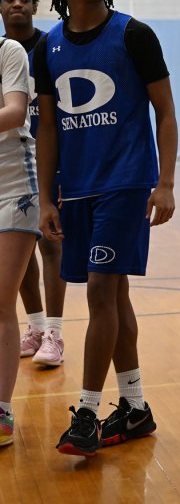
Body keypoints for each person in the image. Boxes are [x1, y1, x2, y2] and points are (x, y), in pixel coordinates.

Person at [34, 0, 178, 456]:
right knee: (114, 295)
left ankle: (89, 414)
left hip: (126, 183)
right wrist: (47, 196)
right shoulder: (46, 47)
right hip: (77, 189)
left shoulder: (134, 34)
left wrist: (165, 182)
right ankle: (136, 406)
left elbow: (164, 110)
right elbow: (47, 126)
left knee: (98, 291)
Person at [0, 0, 67, 367]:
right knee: (18, 251)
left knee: (51, 243)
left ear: (35, 6)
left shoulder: (49, 47)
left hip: (46, 155)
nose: (17, 5)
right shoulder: (3, 51)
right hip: (11, 160)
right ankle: (36, 326)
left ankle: (55, 332)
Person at [0, 36, 36, 446]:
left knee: (1, 298)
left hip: (13, 185)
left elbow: (14, 111)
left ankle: (3, 408)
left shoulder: (8, 51)